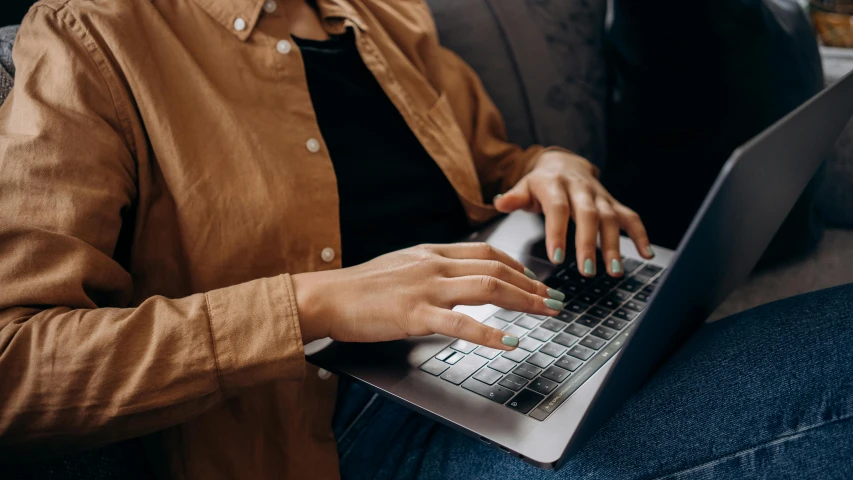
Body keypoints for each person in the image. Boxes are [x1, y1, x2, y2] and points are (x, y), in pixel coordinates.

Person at [1, 0, 851, 479]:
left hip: (505, 329)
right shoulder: (94, 36)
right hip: (348, 432)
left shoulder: (384, 19)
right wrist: (318, 303)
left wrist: (558, 168)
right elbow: (17, 367)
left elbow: (496, 162)